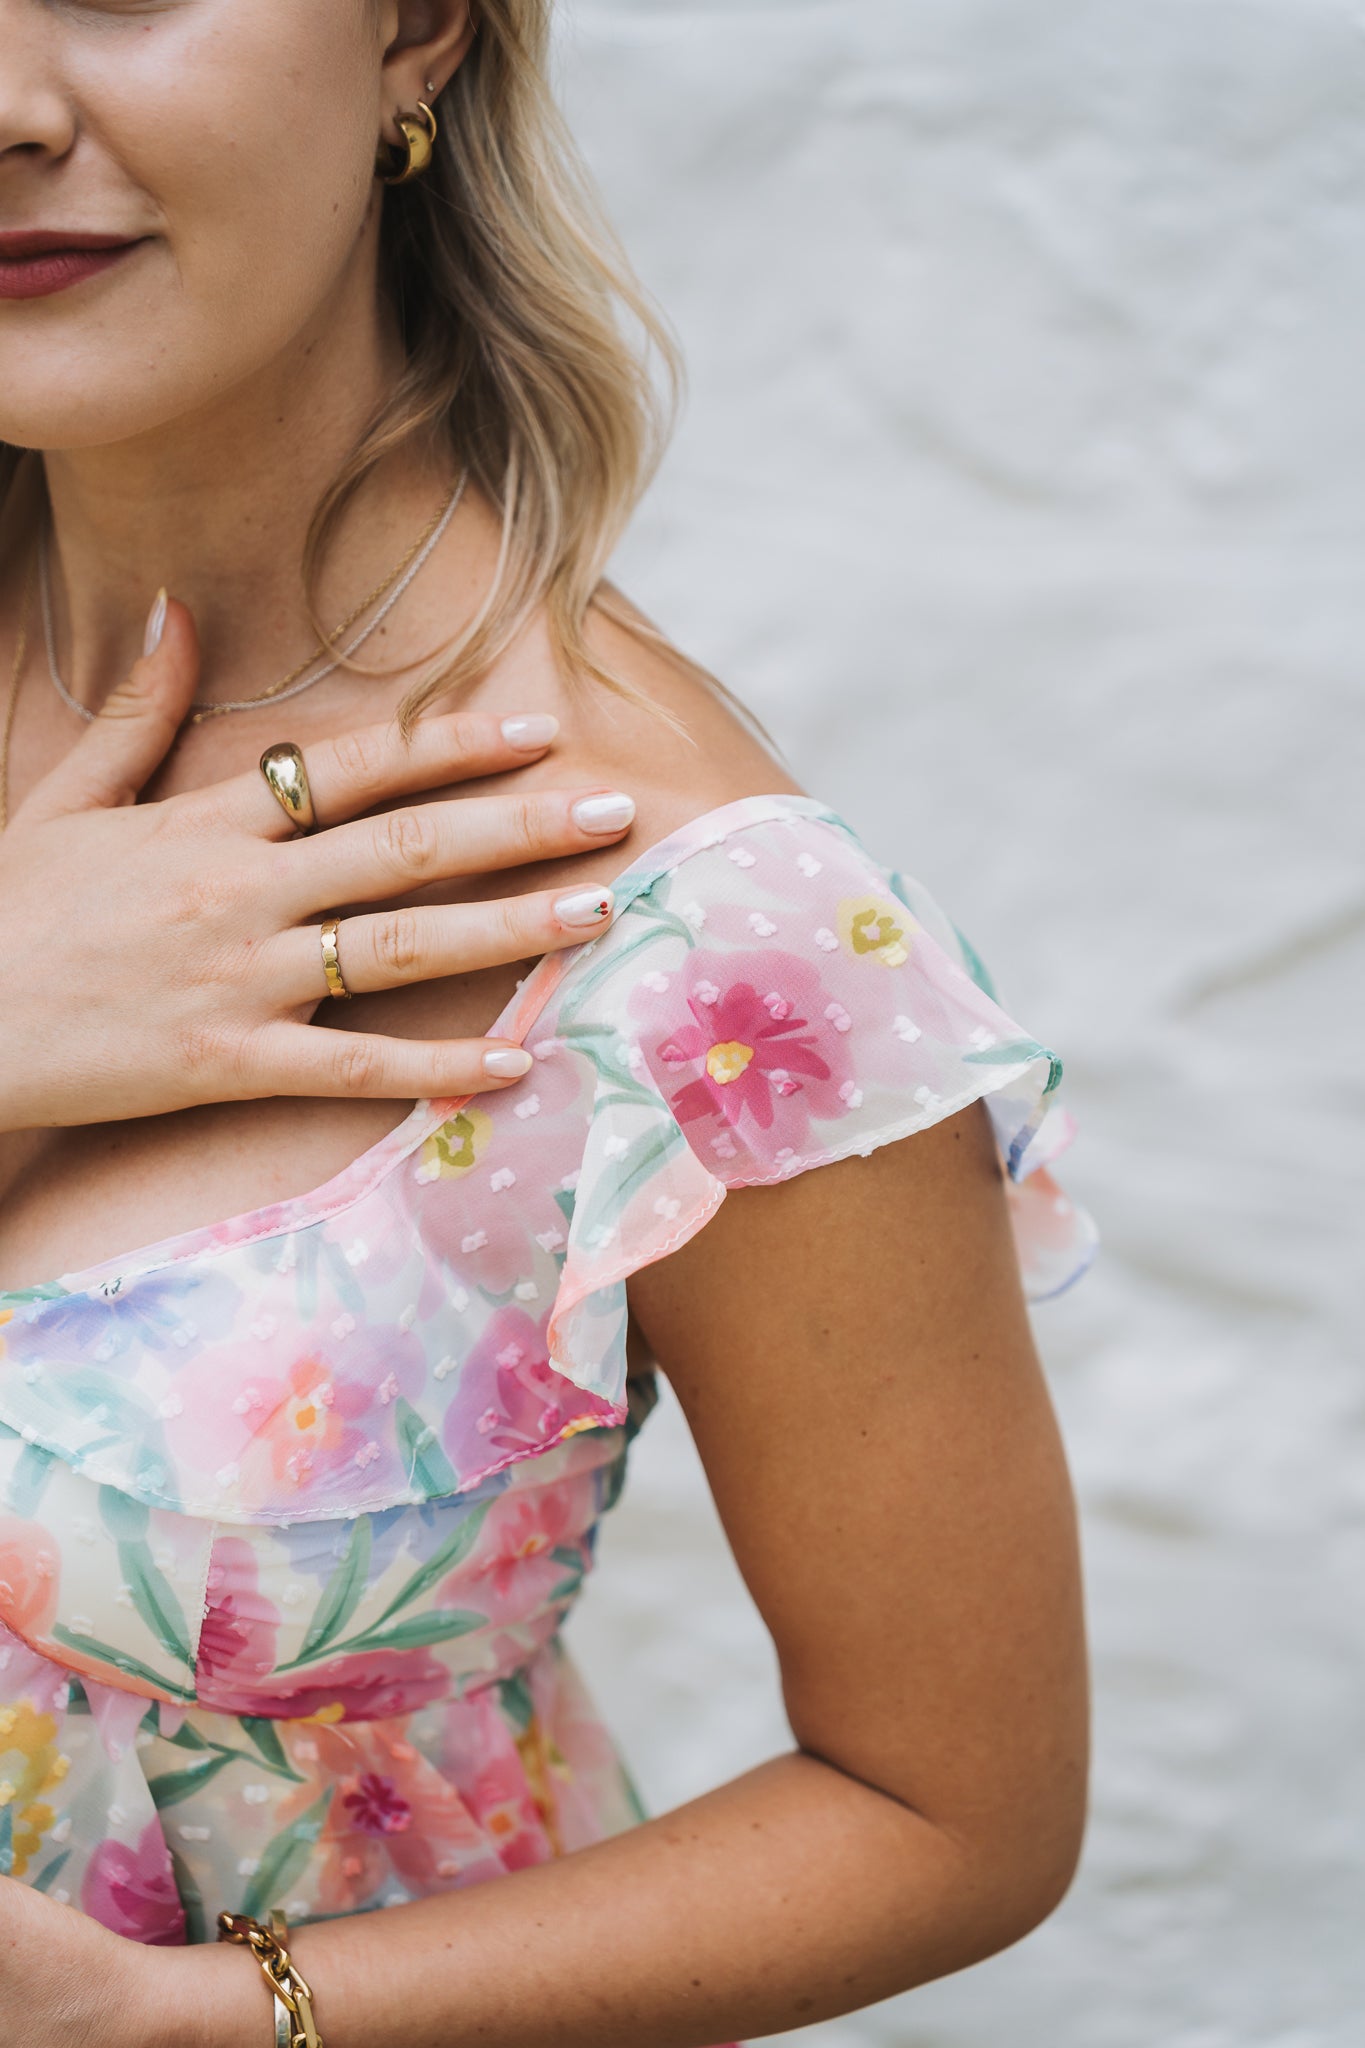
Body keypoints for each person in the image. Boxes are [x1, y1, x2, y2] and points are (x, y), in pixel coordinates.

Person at [0, 6, 1097, 2046]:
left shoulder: (702, 931)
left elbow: (952, 1808)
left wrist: (185, 2023)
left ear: (415, 27)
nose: (4, 103)